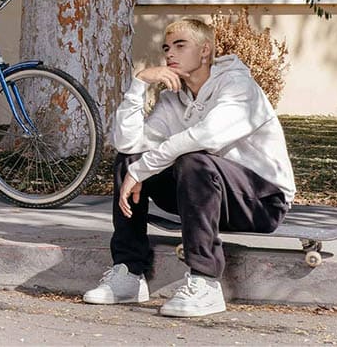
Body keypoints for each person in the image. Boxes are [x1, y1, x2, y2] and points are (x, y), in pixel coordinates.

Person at [83, 18, 295, 317]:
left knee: (192, 160)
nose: (170, 54)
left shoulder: (238, 86)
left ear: (205, 51)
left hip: (260, 201)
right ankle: (129, 273)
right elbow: (129, 143)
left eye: (181, 45)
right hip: (203, 198)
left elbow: (205, 136)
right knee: (128, 161)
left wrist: (142, 170)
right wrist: (139, 84)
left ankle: (205, 282)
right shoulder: (173, 98)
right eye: (167, 47)